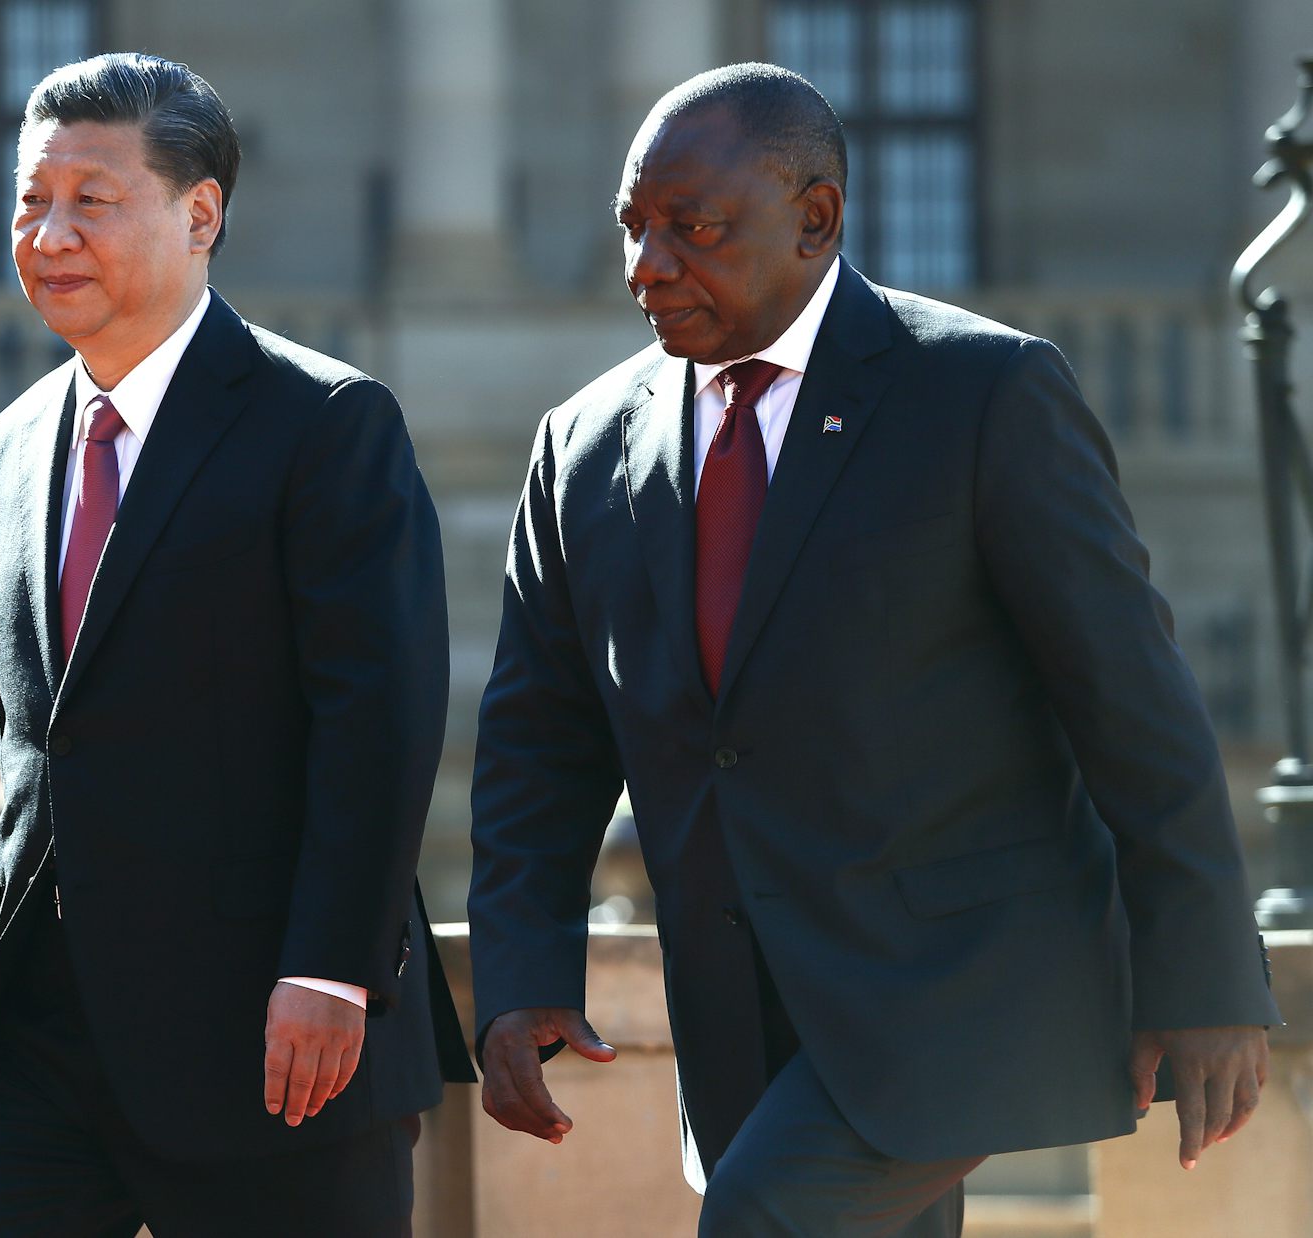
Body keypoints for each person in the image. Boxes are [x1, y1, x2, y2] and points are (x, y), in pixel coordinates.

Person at [466, 62, 1278, 1237]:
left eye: (693, 227)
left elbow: (1132, 699)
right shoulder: (580, 445)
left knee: (761, 1218)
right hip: (742, 1000)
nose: (647, 264)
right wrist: (524, 972)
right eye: (634, 226)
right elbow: (538, 739)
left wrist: (1206, 973)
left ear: (816, 218)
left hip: (964, 985)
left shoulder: (982, 392)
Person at [0, 53, 472, 1238]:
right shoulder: (10, 442)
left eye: (91, 201)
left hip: (277, 1042)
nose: (49, 233)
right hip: (44, 1048)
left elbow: (381, 717)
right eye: (31, 200)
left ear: (200, 216)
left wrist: (332, 967)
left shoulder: (326, 422)